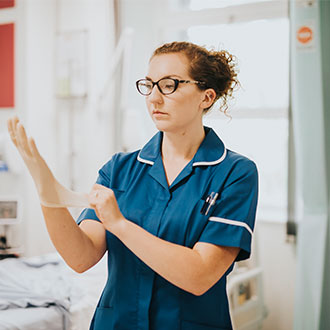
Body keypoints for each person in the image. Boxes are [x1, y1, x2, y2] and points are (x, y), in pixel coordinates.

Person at [8, 41, 258, 330]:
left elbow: (199, 275)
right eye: (148, 85)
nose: (153, 98)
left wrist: (120, 224)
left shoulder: (235, 172)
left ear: (207, 96)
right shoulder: (120, 169)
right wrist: (46, 192)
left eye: (169, 85)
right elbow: (81, 257)